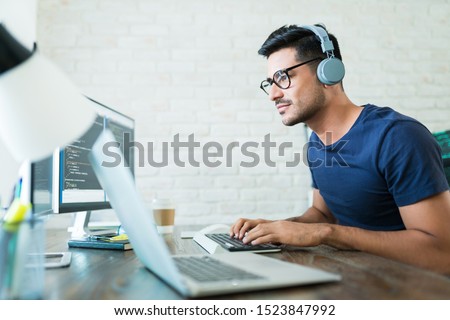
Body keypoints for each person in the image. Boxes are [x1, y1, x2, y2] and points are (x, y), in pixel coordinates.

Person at [230, 24, 450, 274]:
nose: (273, 94)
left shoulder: (398, 137)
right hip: (355, 278)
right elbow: (324, 215)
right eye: (270, 82)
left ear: (328, 73)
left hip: (409, 288)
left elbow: (442, 253)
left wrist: (326, 234)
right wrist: (277, 228)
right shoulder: (316, 143)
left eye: (283, 77)